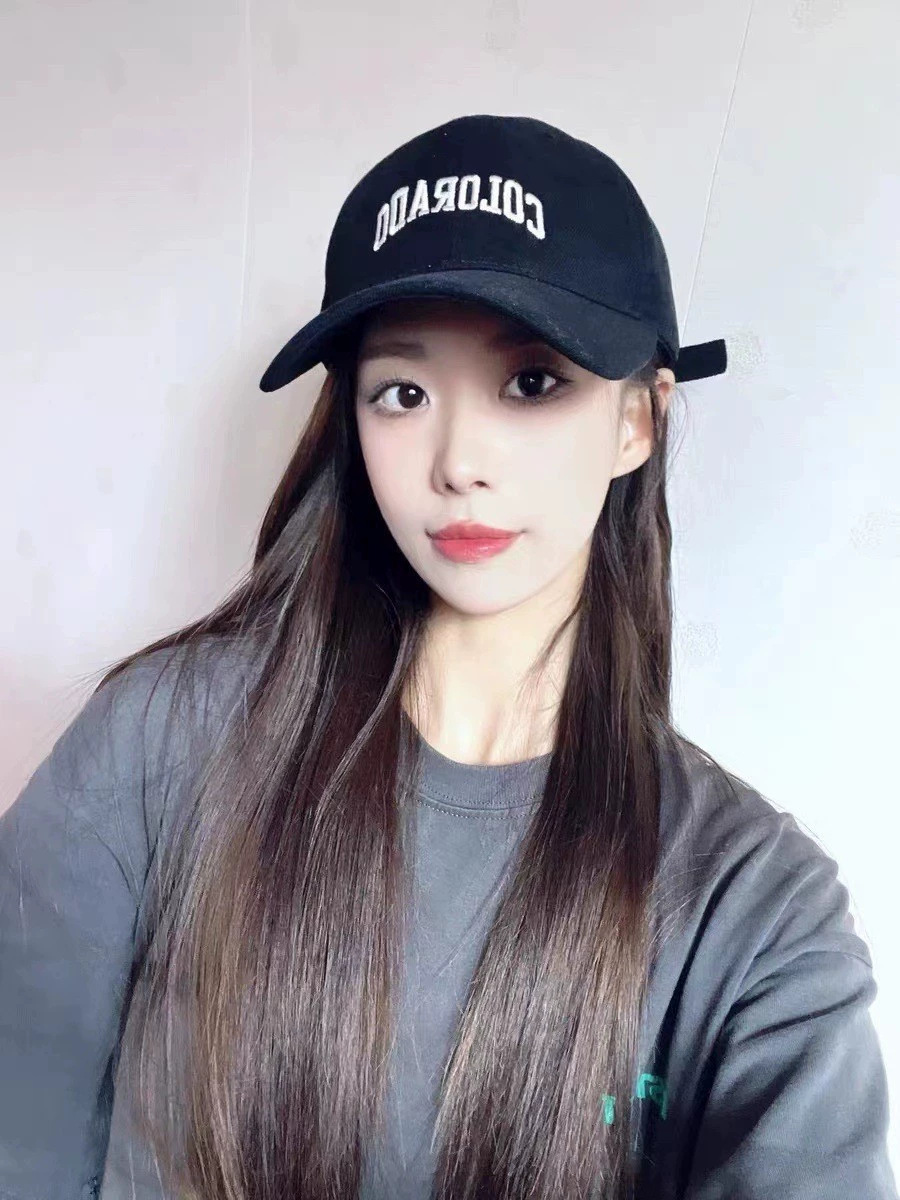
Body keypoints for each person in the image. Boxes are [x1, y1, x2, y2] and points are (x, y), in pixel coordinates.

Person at [0, 113, 895, 1200]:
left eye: (532, 383)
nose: (458, 462)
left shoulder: (750, 914)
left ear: (639, 420)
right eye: (404, 393)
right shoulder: (155, 748)